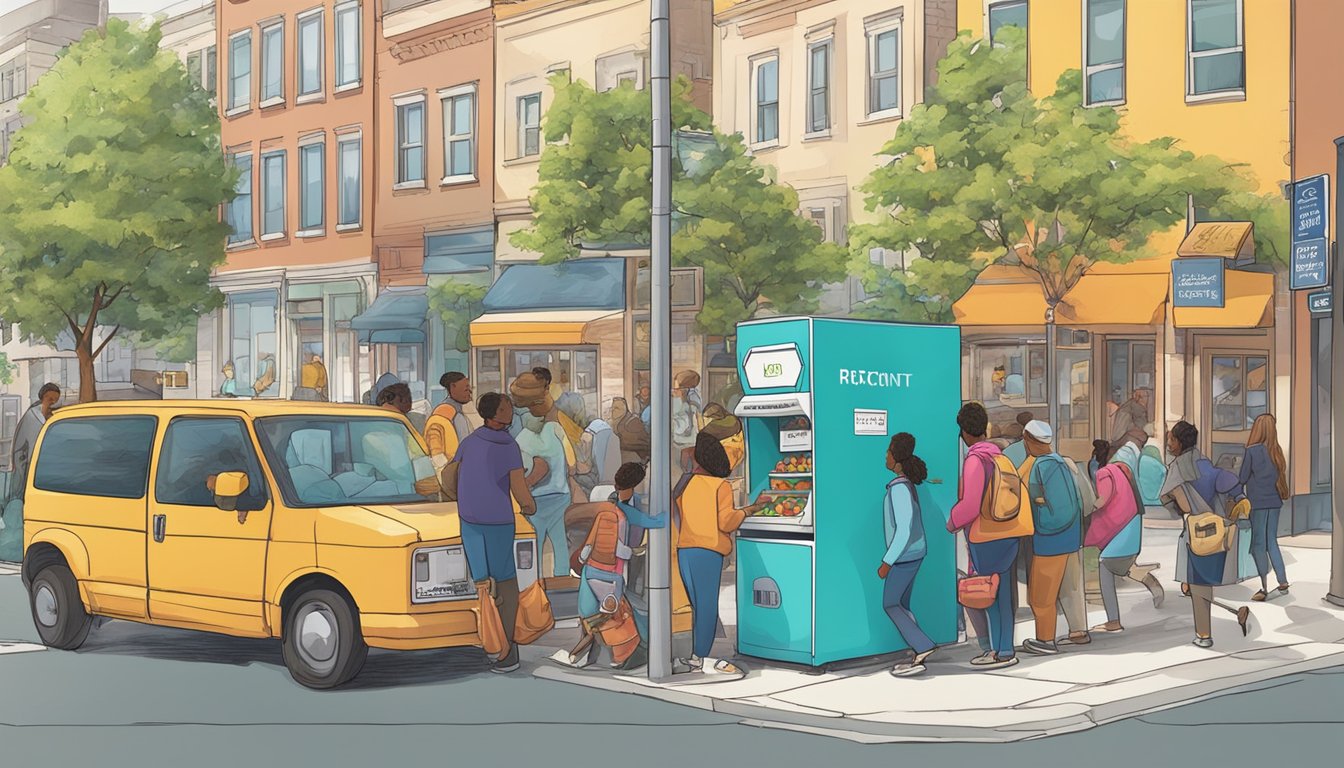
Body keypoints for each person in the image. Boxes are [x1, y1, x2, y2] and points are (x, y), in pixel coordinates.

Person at [443, 393, 537, 674]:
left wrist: (460, 496)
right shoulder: (509, 445)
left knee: (482, 583)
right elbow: (518, 486)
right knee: (506, 583)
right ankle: (507, 649)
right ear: (496, 413)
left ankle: (489, 641)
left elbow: (450, 475)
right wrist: (529, 505)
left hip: (469, 520)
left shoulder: (470, 441)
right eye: (506, 407)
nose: (511, 409)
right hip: (498, 521)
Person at [947, 402, 1032, 670]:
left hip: (987, 536)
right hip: (1009, 533)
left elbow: (970, 506)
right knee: (1004, 595)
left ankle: (996, 651)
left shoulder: (975, 460)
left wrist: (951, 522)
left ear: (964, 432)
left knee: (990, 595)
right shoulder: (1000, 456)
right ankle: (1005, 648)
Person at [674, 432, 765, 675]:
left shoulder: (685, 483)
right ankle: (700, 657)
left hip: (685, 550)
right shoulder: (720, 486)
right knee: (707, 607)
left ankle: (696, 655)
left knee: (696, 605)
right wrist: (750, 510)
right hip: (708, 552)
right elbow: (726, 522)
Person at [1161, 420, 1250, 648]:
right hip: (1215, 528)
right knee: (1199, 582)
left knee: (1199, 583)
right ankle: (1224, 613)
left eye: (1171, 439)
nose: (1168, 444)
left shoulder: (1178, 468)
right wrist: (1239, 499)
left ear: (1180, 443)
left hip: (1196, 532)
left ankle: (1204, 635)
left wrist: (1183, 507)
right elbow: (1229, 482)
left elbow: (1171, 499)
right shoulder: (1204, 463)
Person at [571, 463, 666, 669]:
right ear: (635, 484)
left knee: (594, 612)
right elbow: (656, 523)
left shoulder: (607, 508)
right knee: (620, 612)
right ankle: (625, 652)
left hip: (595, 568)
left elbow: (589, 544)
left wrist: (581, 561)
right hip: (615, 570)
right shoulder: (625, 511)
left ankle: (591, 653)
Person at [1017, 421, 1085, 655]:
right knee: (1058, 590)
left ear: (1029, 440)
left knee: (1040, 597)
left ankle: (1045, 640)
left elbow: (1035, 500)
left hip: (1049, 539)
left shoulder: (1039, 466)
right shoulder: (1060, 462)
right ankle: (1050, 637)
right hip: (1068, 537)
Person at [880, 433, 937, 677]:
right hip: (915, 553)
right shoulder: (905, 486)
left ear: (896, 457)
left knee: (890, 604)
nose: (885, 455)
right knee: (902, 604)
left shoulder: (899, 489)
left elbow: (903, 530)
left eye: (888, 451)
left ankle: (923, 645)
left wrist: (886, 561)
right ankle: (917, 649)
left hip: (905, 556)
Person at [1088, 441, 1145, 632]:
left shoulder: (1104, 473)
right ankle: (1114, 618)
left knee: (1106, 565)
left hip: (1121, 529)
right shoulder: (1119, 470)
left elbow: (1103, 499)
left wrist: (1086, 509)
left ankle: (1113, 621)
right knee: (1120, 566)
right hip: (1129, 525)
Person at [515, 408, 573, 579]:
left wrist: (525, 485)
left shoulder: (521, 439)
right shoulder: (556, 429)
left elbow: (534, 468)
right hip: (561, 494)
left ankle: (536, 580)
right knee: (560, 540)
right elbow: (573, 463)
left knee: (536, 541)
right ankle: (562, 577)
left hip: (536, 499)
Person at [1240, 414, 1291, 601]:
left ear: (1257, 429)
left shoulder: (1251, 451)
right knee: (1272, 542)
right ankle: (1282, 580)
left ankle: (1263, 586)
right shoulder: (1276, 451)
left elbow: (1242, 477)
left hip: (1258, 503)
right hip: (1274, 503)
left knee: (1258, 544)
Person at [9, 383, 60, 502]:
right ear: (43, 397)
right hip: (26, 469)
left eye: (55, 400)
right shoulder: (32, 416)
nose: (52, 403)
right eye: (50, 399)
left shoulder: (46, 415)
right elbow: (27, 448)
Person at [426, 372, 474, 473]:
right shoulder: (445, 410)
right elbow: (434, 433)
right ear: (453, 387)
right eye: (466, 389)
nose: (470, 391)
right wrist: (441, 462)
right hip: (453, 470)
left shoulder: (461, 410)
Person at [610, 397, 650, 464]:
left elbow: (643, 442)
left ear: (624, 409)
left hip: (637, 457)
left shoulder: (633, 421)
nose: (613, 411)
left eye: (617, 408)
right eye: (613, 408)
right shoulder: (616, 422)